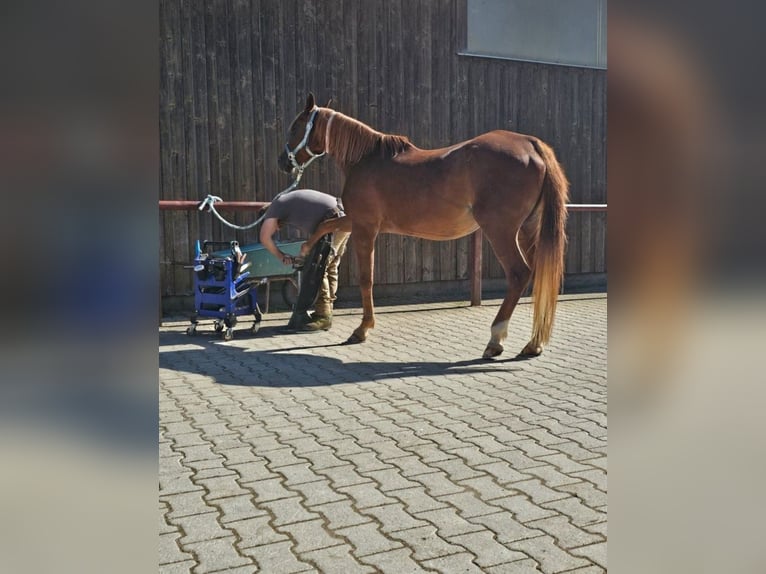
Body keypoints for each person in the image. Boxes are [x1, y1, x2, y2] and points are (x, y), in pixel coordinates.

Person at [259, 189, 349, 331]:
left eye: (274, 226)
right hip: (344, 214)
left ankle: (323, 315)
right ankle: (326, 313)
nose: (276, 230)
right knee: (330, 266)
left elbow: (264, 237)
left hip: (332, 219)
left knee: (320, 266)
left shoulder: (276, 207)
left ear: (268, 217)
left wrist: (281, 256)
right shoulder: (288, 205)